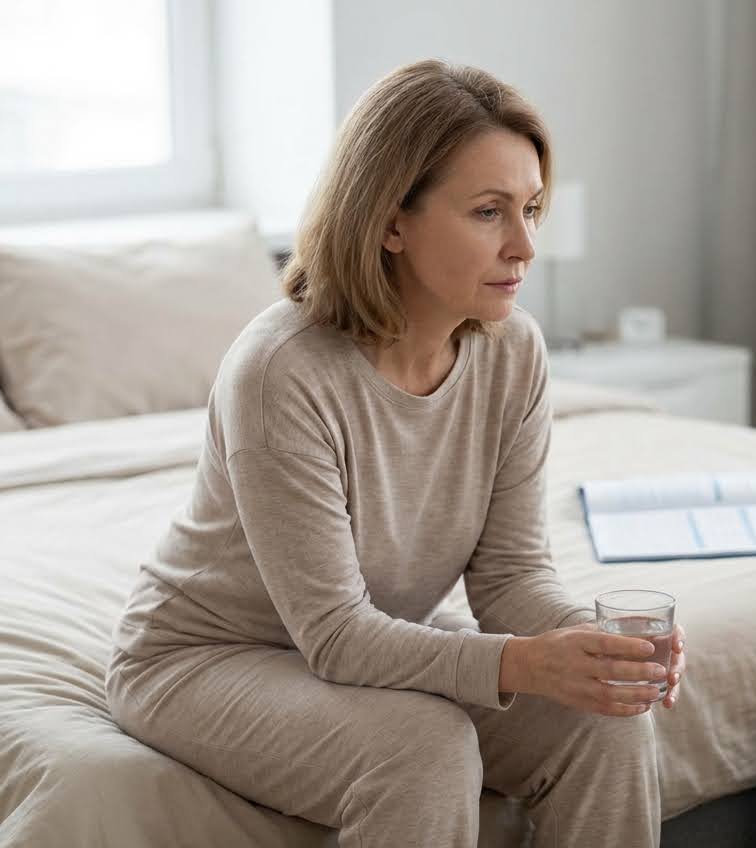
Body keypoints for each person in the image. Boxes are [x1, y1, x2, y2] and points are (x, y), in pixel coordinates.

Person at [105, 58, 686, 848]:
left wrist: (596, 653)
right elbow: (337, 636)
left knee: (604, 720)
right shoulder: (283, 369)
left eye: (533, 209)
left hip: (372, 635)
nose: (524, 246)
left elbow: (511, 578)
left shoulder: (514, 351)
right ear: (390, 221)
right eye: (488, 212)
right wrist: (522, 664)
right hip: (206, 658)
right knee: (423, 748)